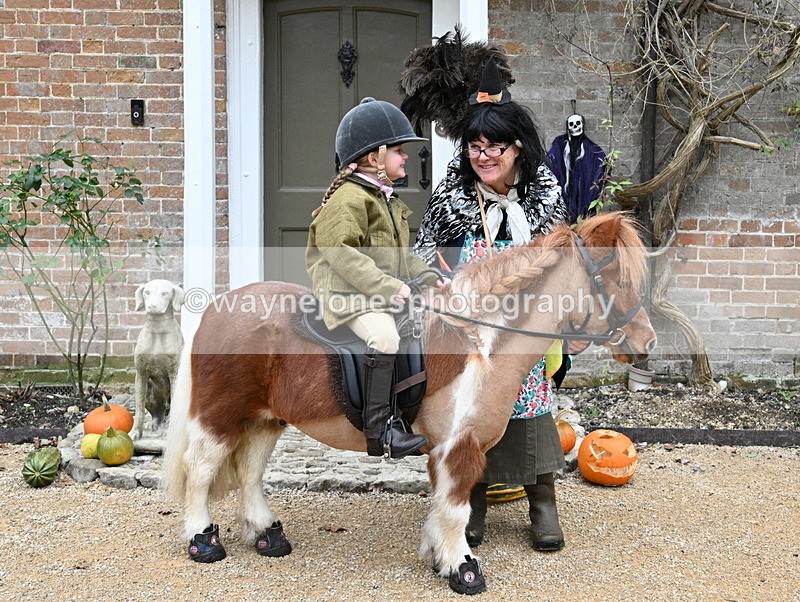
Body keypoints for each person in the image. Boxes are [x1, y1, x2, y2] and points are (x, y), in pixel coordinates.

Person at [412, 58, 571, 551]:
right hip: (468, 328)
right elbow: (423, 253)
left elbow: (563, 258)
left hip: (525, 325)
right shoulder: (452, 194)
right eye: (475, 148)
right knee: (467, 409)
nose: (483, 157)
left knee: (529, 400)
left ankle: (541, 499)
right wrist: (438, 286)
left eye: (494, 147)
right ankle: (471, 500)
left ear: (517, 147)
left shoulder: (543, 191)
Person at [306, 97, 445, 460]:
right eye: (399, 151)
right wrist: (390, 288)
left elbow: (400, 258)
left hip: (375, 293)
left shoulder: (386, 201)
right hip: (347, 294)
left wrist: (429, 276)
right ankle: (380, 429)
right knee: (384, 336)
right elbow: (341, 254)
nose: (406, 158)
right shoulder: (349, 199)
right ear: (374, 159)